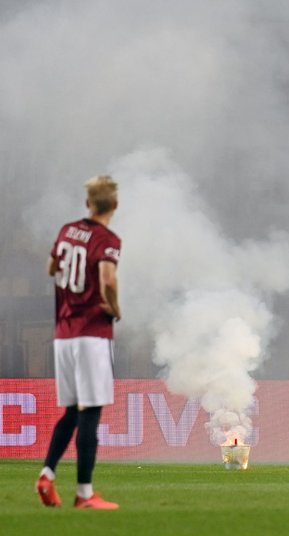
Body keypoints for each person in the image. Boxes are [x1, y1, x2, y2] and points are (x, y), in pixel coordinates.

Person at [36, 175, 123, 509]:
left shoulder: (67, 230)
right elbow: (108, 278)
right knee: (91, 412)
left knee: (72, 410)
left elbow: (51, 267)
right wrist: (114, 308)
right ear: (114, 205)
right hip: (91, 333)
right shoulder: (107, 238)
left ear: (88, 203)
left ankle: (47, 474)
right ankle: (85, 493)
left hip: (64, 333)